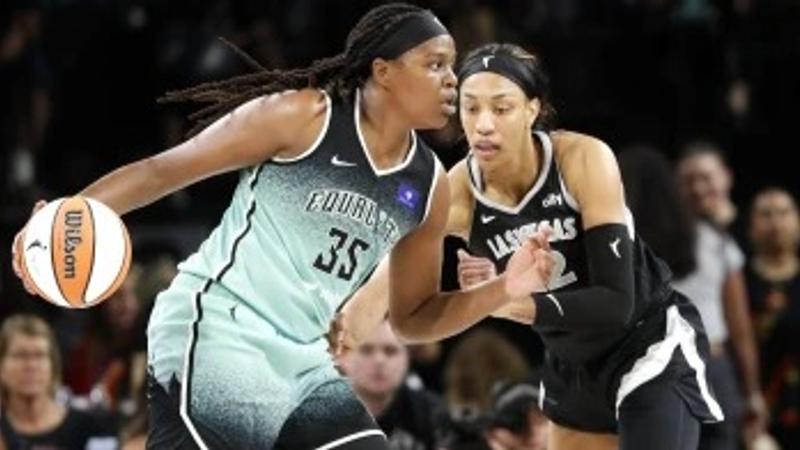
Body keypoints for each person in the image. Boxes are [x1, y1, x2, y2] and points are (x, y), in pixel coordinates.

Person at [12, 5, 552, 449]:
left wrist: (504, 288)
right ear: (383, 71)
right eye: (434, 64)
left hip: (302, 360)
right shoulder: (303, 118)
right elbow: (165, 169)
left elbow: (413, 318)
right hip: (221, 331)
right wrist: (62, 218)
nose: (452, 79)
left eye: (452, 65)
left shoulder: (429, 187)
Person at [449, 43, 723, 449]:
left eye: (501, 108)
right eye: (470, 108)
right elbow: (398, 285)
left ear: (532, 109)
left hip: (646, 345)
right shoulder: (457, 190)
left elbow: (615, 304)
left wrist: (498, 298)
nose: (483, 124)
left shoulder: (582, 157)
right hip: (570, 363)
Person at [676, 145, 767, 448]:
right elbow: (738, 325)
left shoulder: (746, 229)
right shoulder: (663, 237)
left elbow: (740, 327)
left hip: (730, 360)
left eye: (706, 177)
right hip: (684, 363)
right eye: (689, 180)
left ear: (726, 178)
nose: (699, 188)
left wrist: (752, 391)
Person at [0, 314, 118, 450]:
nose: (31, 365)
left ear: (53, 364)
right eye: (20, 355)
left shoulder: (90, 425)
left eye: (39, 355)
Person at [746, 187, 800, 449]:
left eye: (784, 213)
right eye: (766, 214)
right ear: (751, 226)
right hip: (757, 406)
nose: (776, 222)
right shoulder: (738, 280)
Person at [339, 320, 443, 450]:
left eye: (390, 351)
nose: (379, 361)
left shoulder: (434, 415)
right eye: (366, 350)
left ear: (408, 357)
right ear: (342, 357)